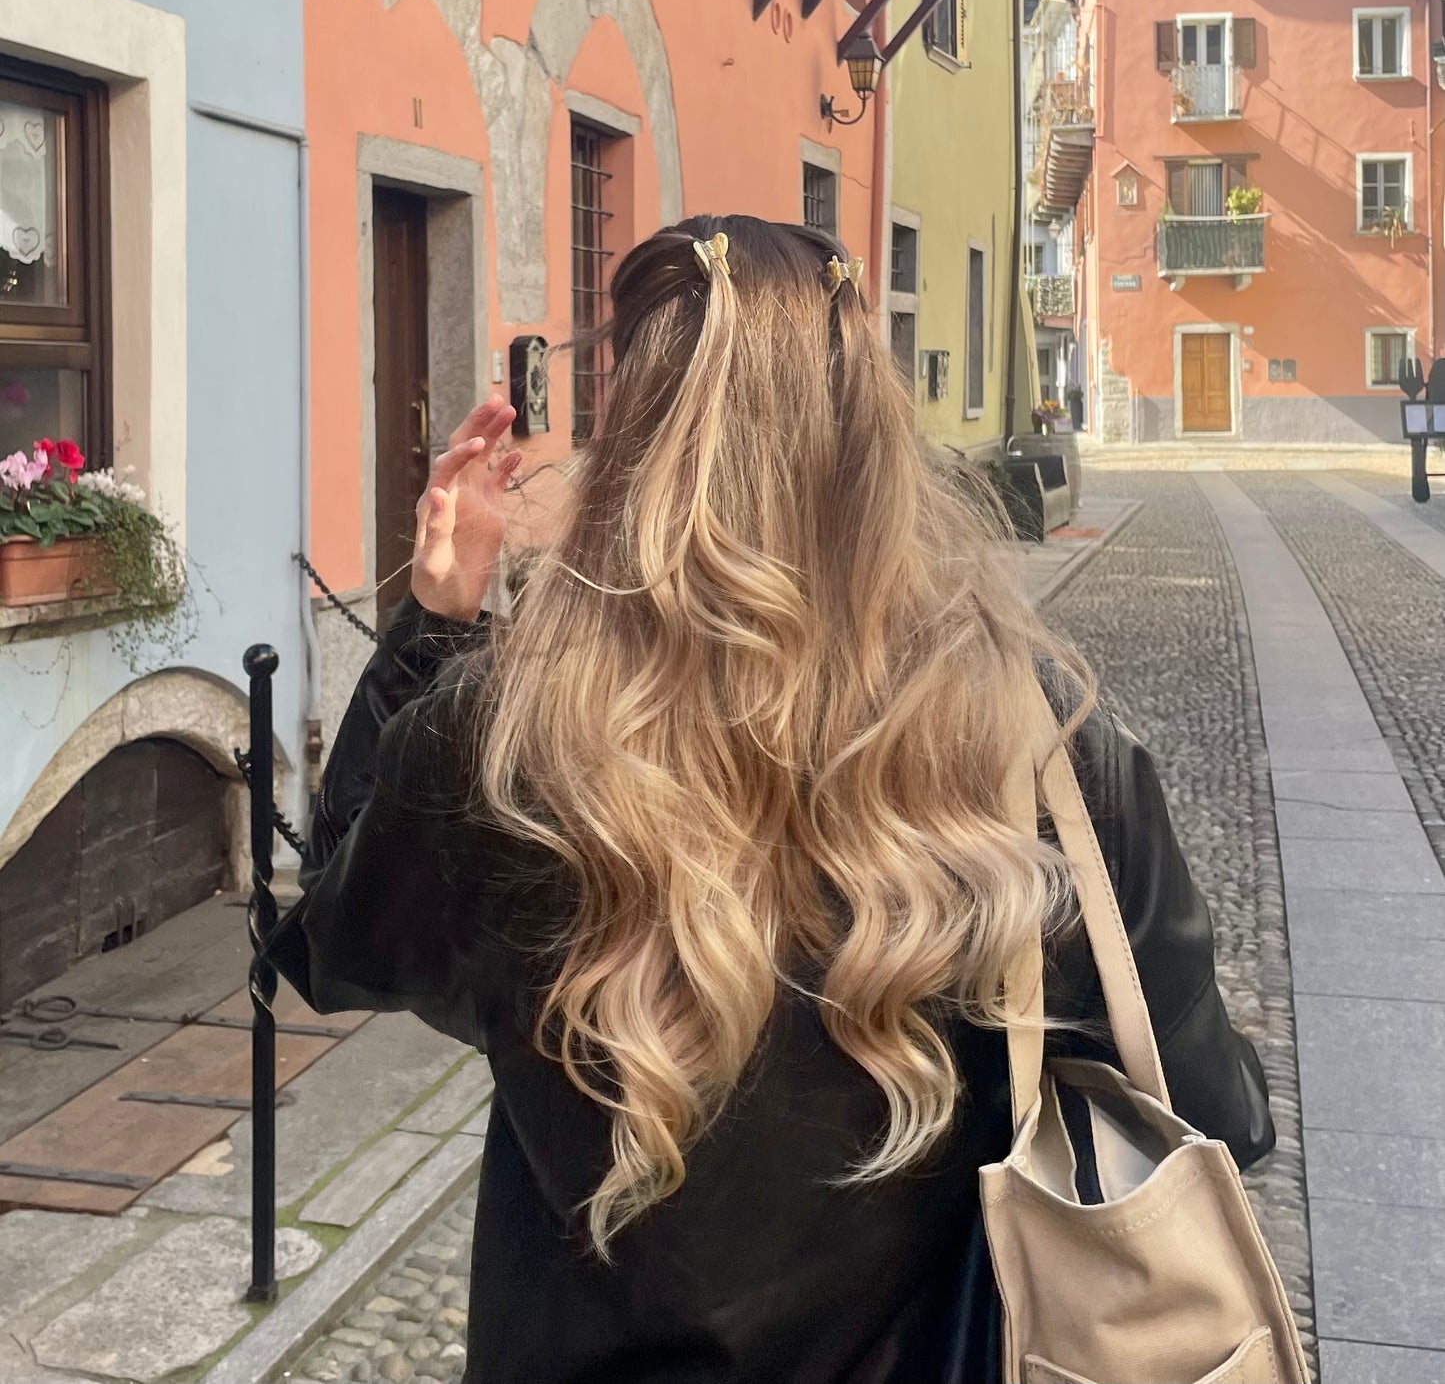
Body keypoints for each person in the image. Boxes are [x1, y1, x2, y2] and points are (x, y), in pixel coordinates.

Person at [269, 215, 1273, 1384]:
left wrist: (433, 625)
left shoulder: (497, 743)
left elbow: (330, 944)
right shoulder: (1039, 746)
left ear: (632, 437)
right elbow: (1215, 1114)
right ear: (869, 433)